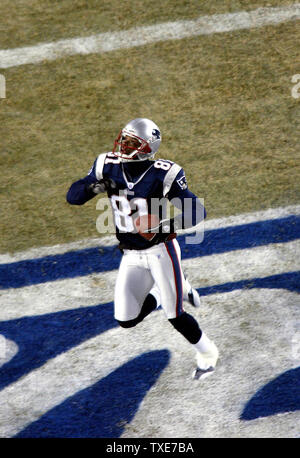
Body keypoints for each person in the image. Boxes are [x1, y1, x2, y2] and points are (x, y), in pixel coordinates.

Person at [66, 118, 218, 379]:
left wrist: (162, 226)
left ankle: (207, 353)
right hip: (130, 253)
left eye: (131, 142)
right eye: (123, 138)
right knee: (126, 319)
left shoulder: (164, 172)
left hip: (161, 250)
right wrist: (95, 186)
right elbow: (73, 196)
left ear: (147, 147)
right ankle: (162, 291)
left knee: (176, 316)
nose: (123, 145)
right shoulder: (107, 165)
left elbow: (197, 211)